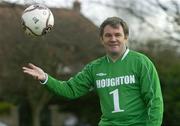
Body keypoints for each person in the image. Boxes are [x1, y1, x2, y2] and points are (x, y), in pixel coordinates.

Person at [22, 17, 163, 126]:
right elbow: (71, 90)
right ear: (101, 39)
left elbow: (155, 101)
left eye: (117, 35)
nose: (113, 39)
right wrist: (45, 78)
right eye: (108, 35)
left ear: (125, 37)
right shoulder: (94, 68)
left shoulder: (141, 62)